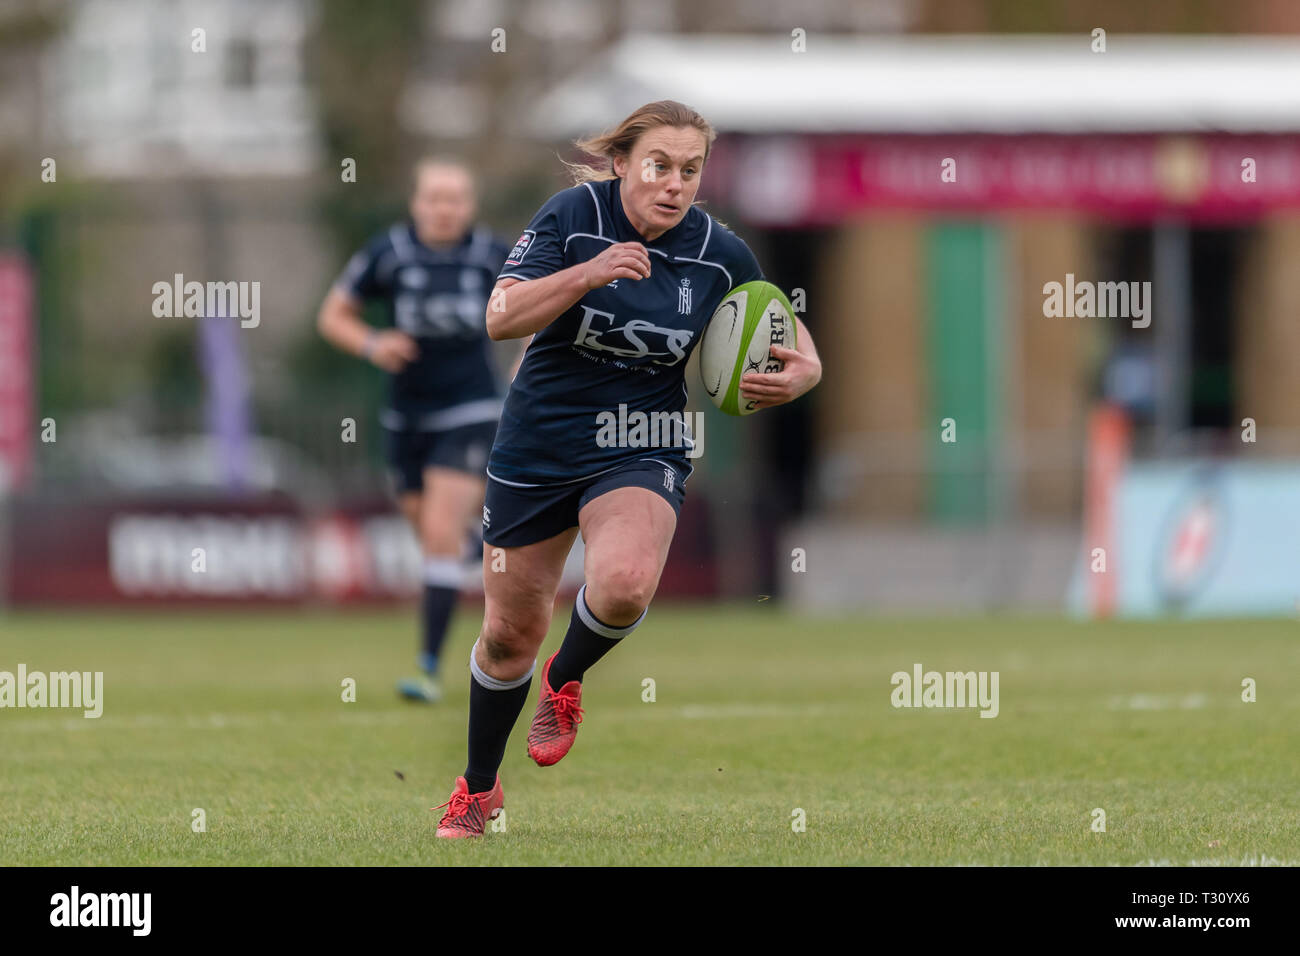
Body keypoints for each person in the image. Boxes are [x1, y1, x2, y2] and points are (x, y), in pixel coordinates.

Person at [432, 100, 822, 838]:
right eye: (660, 166)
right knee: (510, 633)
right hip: (539, 442)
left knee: (622, 584)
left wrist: (805, 373)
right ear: (621, 165)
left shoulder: (719, 252)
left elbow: (789, 334)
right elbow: (500, 316)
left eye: (691, 170)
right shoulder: (572, 216)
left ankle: (566, 677)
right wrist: (587, 273)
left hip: (644, 437)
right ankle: (478, 789)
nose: (676, 184)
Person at [317, 158, 514, 703]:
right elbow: (332, 315)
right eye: (434, 198)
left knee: (438, 529)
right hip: (406, 417)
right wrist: (373, 343)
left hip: (473, 410)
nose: (444, 209)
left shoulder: (493, 255)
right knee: (426, 526)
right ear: (416, 203)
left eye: (455, 198)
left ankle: (427, 666)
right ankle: (473, 546)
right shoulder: (389, 254)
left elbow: (544, 312)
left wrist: (524, 364)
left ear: (469, 205)